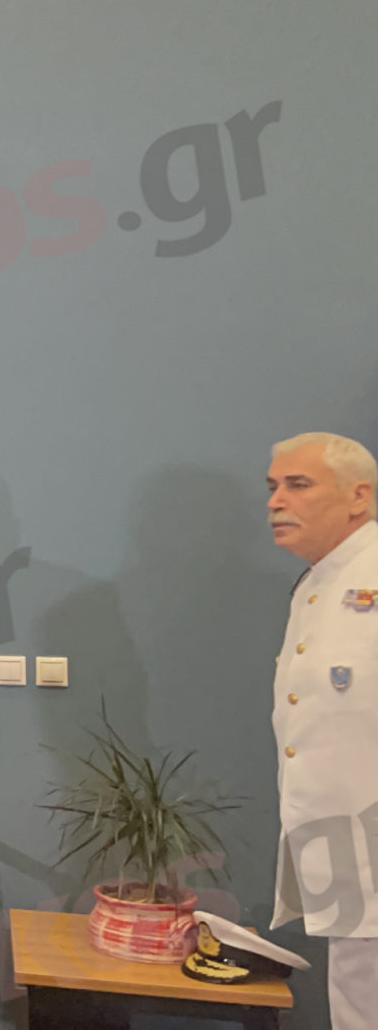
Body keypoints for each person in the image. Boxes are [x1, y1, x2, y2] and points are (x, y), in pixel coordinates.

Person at [265, 431, 378, 1029]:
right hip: (343, 842)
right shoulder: (317, 584)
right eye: (273, 487)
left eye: (298, 484)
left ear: (359, 496)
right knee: (356, 1004)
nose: (276, 501)